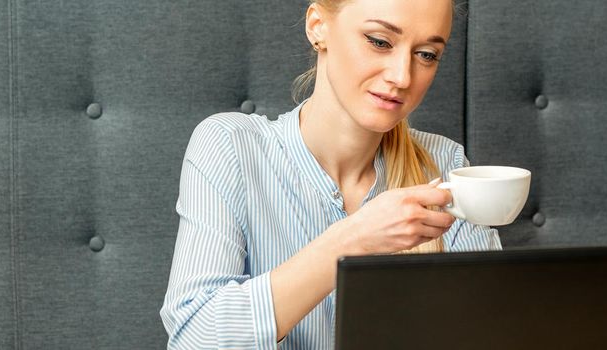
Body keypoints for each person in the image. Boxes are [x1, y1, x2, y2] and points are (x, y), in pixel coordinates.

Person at [159, 0, 501, 348]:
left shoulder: (444, 163)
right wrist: (353, 238)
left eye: (426, 54)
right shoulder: (230, 146)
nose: (402, 76)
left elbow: (497, 329)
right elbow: (194, 337)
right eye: (379, 41)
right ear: (318, 26)